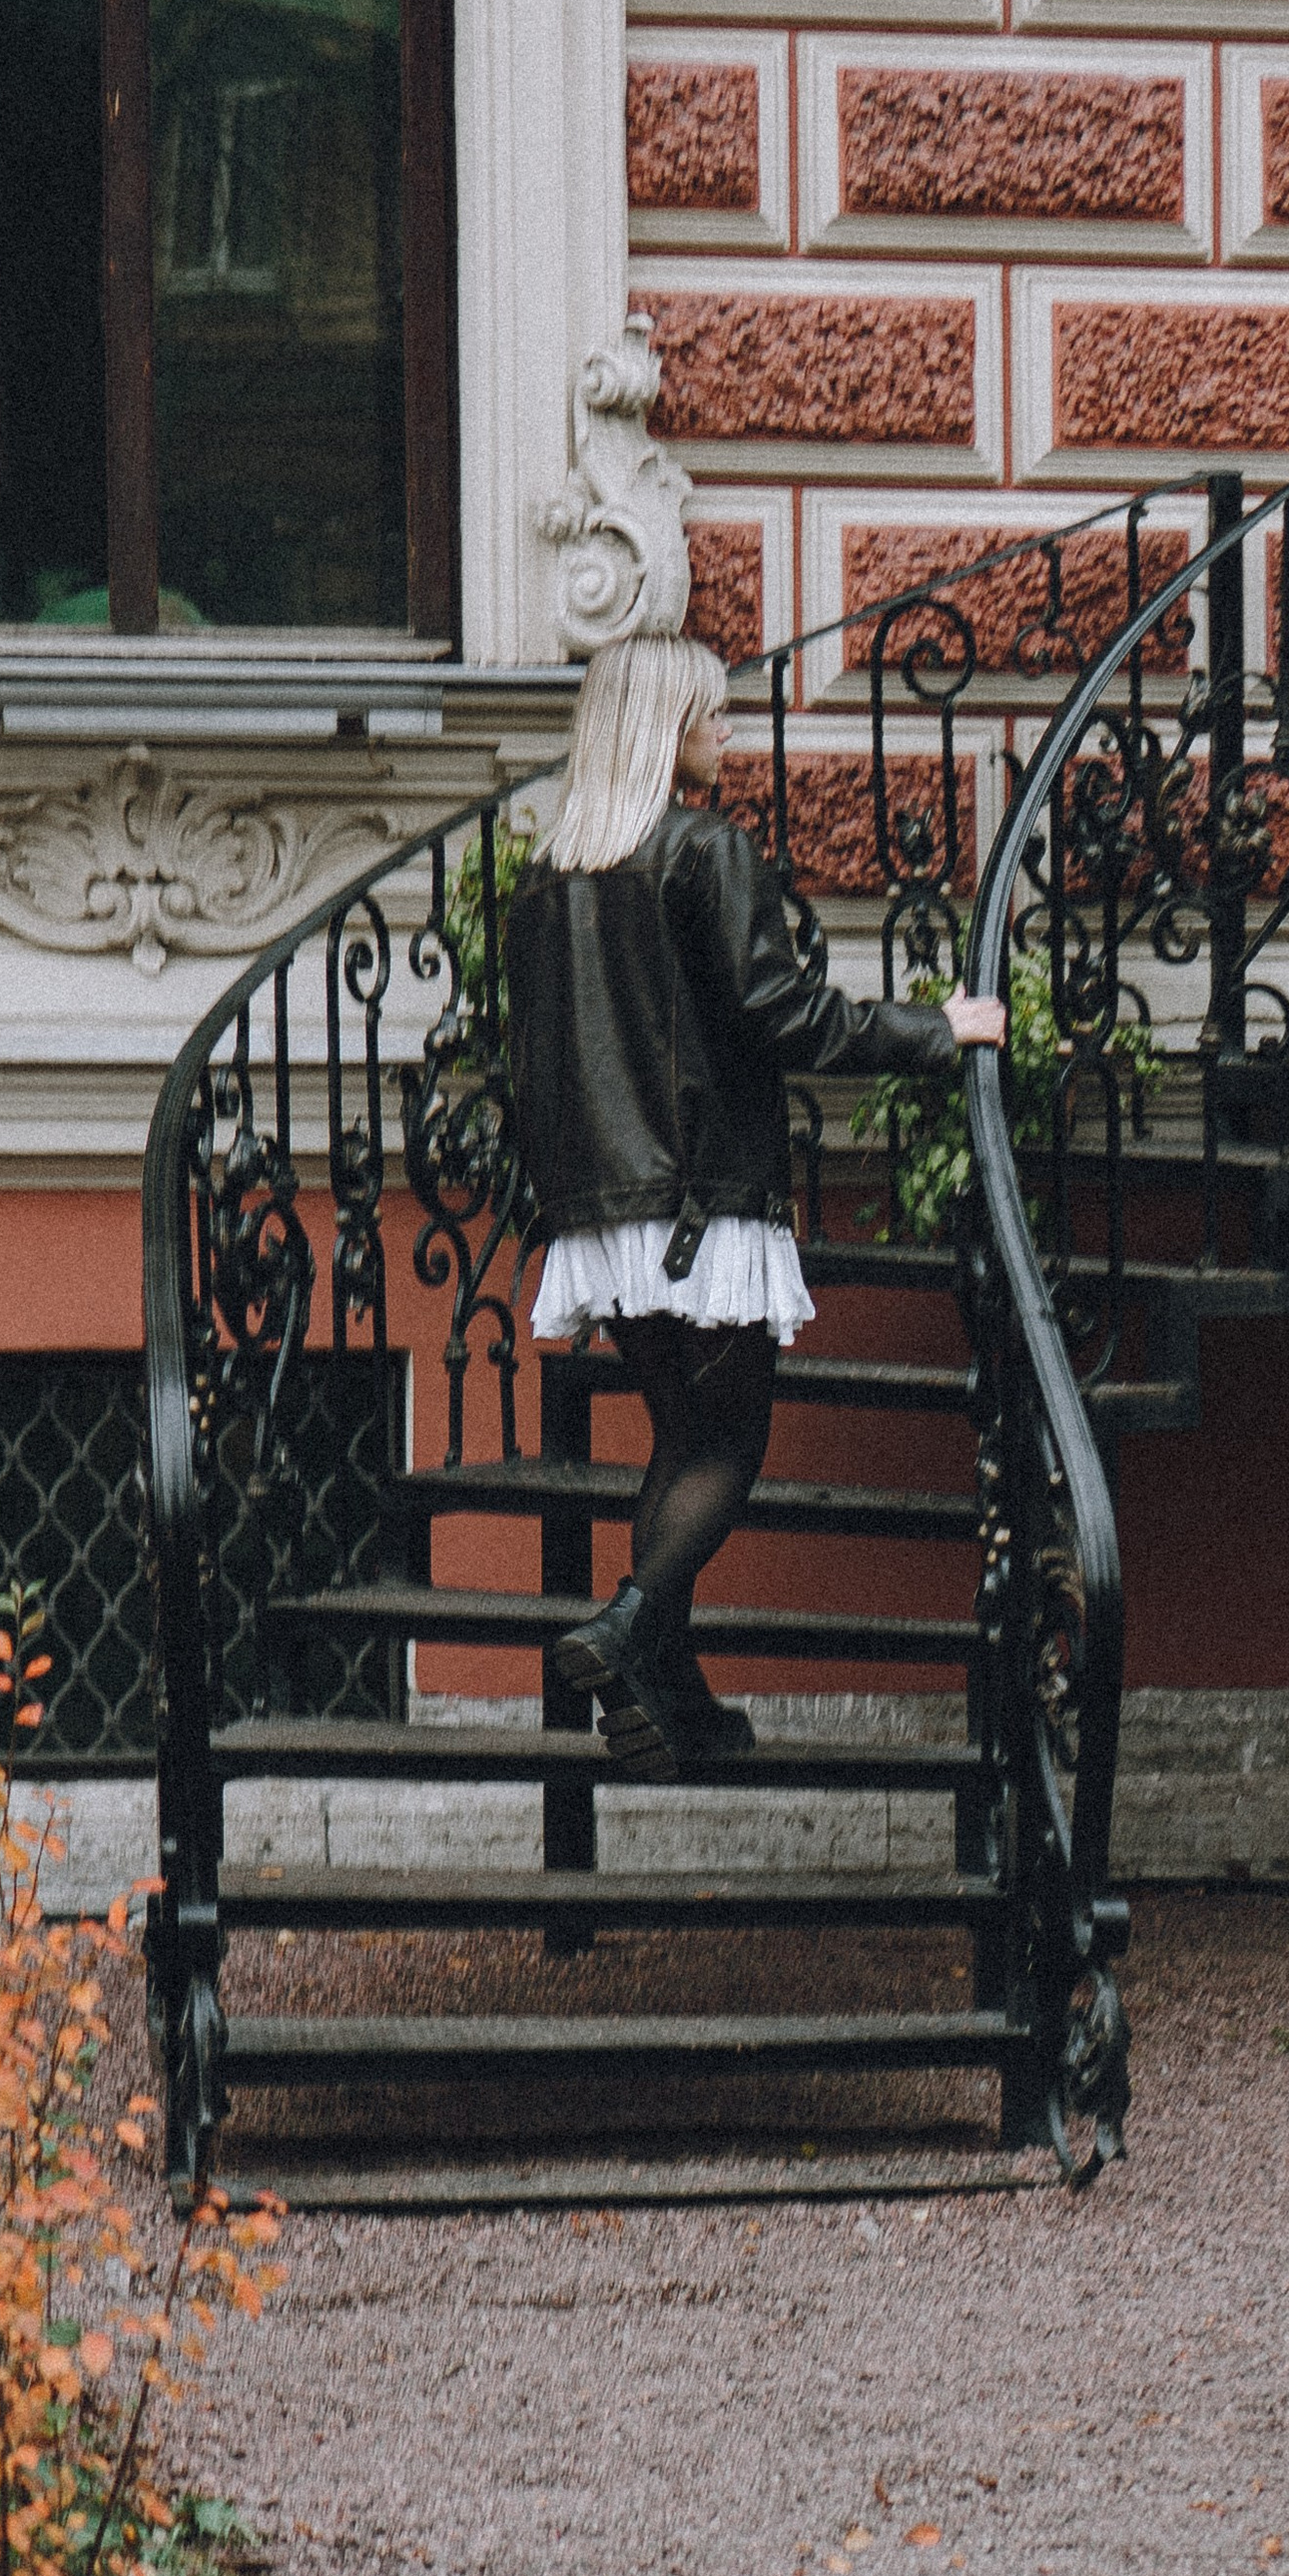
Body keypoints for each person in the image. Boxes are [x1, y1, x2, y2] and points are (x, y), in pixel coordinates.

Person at [505, 632, 1006, 1777]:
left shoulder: (550, 878)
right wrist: (939, 1029)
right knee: (729, 1441)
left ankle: (669, 1694)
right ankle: (626, 1630)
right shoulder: (703, 851)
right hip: (699, 1196)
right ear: (664, 730)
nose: (726, 734)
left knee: (678, 1438)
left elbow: (532, 1054)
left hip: (603, 1208)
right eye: (710, 716)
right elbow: (786, 1015)